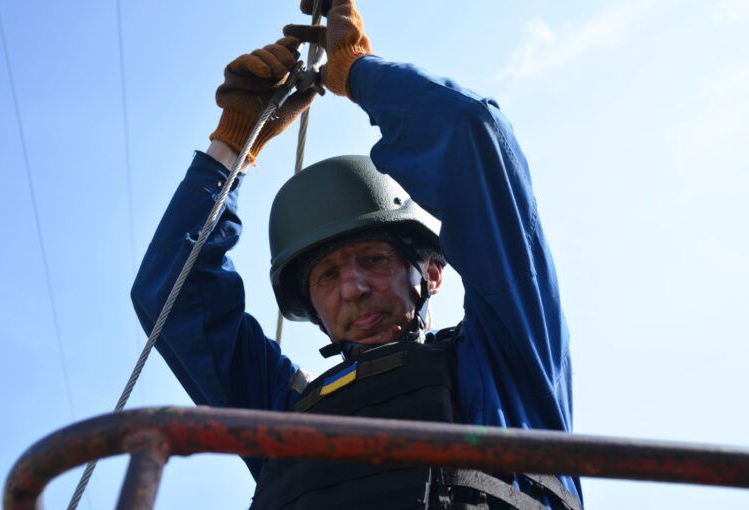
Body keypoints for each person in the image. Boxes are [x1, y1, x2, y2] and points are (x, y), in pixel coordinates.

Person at [131, 0, 582, 508]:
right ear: (313, 309)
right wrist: (233, 141)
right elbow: (174, 294)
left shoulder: (508, 357)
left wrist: (356, 73)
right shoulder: (288, 418)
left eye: (374, 259)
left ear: (432, 272)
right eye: (325, 276)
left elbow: (473, 139)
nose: (352, 287)